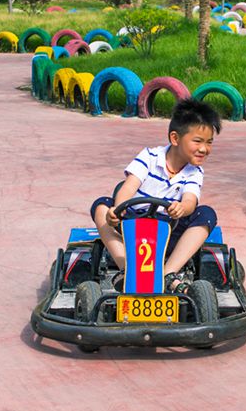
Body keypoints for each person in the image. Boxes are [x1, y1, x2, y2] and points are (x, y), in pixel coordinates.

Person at [92, 99, 221, 280]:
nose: (204, 149)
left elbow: (190, 200)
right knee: (101, 205)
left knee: (206, 214)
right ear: (175, 138)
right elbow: (128, 187)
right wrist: (117, 210)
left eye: (209, 142)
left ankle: (168, 273)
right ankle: (126, 269)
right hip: (133, 225)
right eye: (198, 141)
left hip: (169, 230)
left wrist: (182, 208)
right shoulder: (149, 156)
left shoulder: (195, 172)